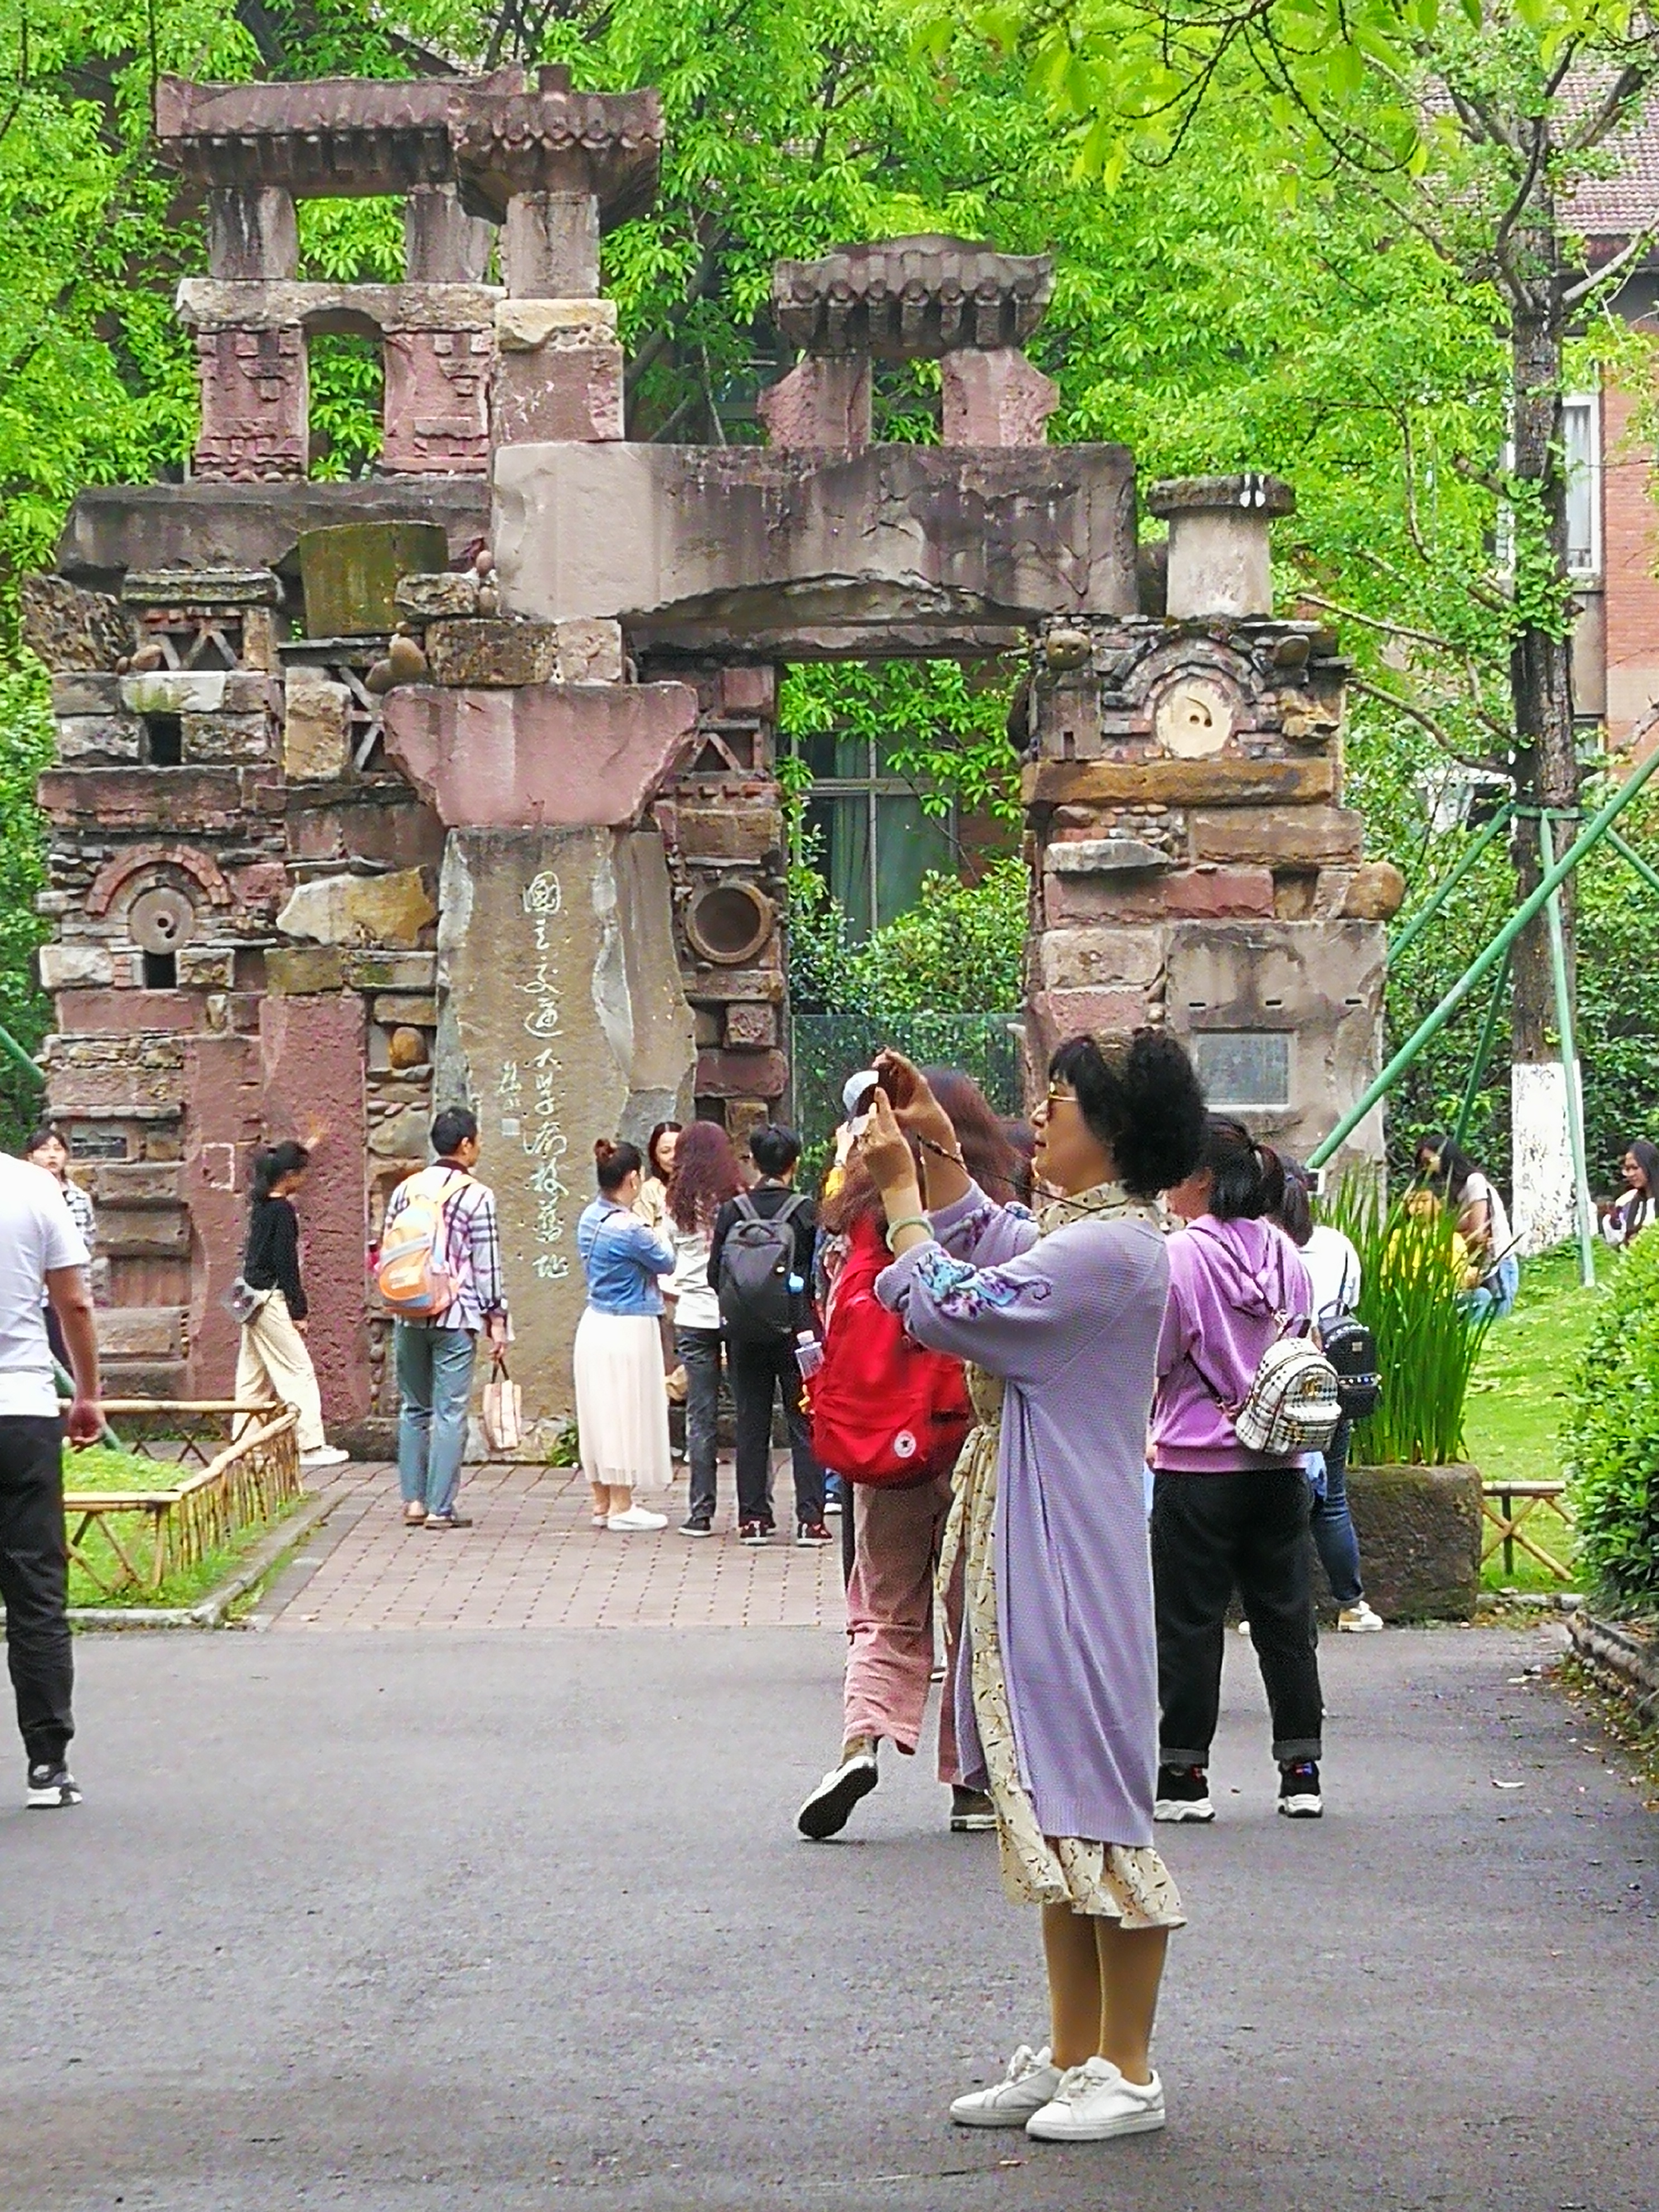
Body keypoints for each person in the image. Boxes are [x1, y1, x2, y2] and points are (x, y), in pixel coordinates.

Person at [865, 1035, 1205, 2146]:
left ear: (1114, 1128)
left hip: (1072, 1551)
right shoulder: (1098, 1237)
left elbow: (956, 1297)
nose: (1041, 1115)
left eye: (1058, 1100)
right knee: (1051, 1806)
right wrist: (938, 1153)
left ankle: (1131, 2066)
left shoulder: (1110, 1250)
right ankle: (1073, 2056)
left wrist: (904, 1199)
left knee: (1097, 1805)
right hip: (1048, 1536)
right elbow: (1003, 1246)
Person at [797, 1069, 1017, 1843]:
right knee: (971, 1616)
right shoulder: (989, 1217)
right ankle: (972, 1785)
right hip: (968, 1442)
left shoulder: (859, 1219)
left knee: (884, 1607)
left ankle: (859, 1743)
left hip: (884, 1447)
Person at [1151, 1121, 1325, 1825]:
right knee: (1286, 1616)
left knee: (1190, 1621)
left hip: (1197, 1463)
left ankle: (1186, 1774)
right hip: (1281, 1461)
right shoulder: (1286, 1252)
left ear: (1201, 1181)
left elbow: (1160, 1353)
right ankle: (1301, 1768)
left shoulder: (1180, 1257)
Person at [0, 1147, 103, 1809]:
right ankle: (47, 1764)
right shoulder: (36, 1188)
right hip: (22, 1411)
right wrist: (88, 1391)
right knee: (35, 1591)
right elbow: (74, 1303)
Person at [1269, 1165, 1381, 1635]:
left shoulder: (1268, 1250)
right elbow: (1347, 1303)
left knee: (1279, 1500)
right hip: (1333, 1386)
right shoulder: (1338, 1245)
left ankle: (1274, 1609)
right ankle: (1352, 1604)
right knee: (1332, 1500)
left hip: (1282, 1388)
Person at [383, 1108, 508, 1530]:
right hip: (455, 1314)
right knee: (450, 1411)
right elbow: (487, 1264)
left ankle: (414, 1502)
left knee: (413, 1409)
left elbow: (387, 1249)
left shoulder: (405, 1190)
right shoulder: (477, 1195)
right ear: (467, 1144)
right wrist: (497, 1319)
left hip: (408, 1310)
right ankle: (441, 1507)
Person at [709, 1124, 831, 1548]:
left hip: (743, 1333)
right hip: (797, 1333)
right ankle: (811, 1520)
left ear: (754, 1162)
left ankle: (754, 1519)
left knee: (751, 1421)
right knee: (805, 1422)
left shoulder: (732, 1211)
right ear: (794, 1164)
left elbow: (714, 1276)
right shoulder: (805, 1211)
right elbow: (818, 1273)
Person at [576, 1139, 676, 1531]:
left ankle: (602, 1499)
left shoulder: (589, 1217)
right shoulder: (631, 1228)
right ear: (633, 1179)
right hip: (629, 1326)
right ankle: (622, 1504)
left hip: (596, 1322)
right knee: (625, 1412)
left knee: (600, 1413)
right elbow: (666, 1260)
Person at [234, 1141, 349, 1471]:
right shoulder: (283, 1211)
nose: (304, 1179)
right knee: (297, 1370)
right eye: (301, 1173)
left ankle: (246, 1445)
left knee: (252, 1375)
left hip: (247, 1292)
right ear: (288, 1176)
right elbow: (286, 1265)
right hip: (269, 1297)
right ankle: (309, 1443)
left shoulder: (259, 1206)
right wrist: (299, 1309)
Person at [662, 1120, 746, 1536]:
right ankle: (755, 1509)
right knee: (750, 1410)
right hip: (734, 1313)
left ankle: (700, 1512)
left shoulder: (674, 1201)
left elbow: (668, 1259)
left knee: (701, 1415)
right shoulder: (735, 1199)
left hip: (693, 1315)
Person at [1414, 1135, 1518, 1319]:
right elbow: (1463, 1226)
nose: (1428, 1167)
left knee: (1499, 1321)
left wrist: (1450, 1233)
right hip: (1482, 1264)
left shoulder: (1474, 1181)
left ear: (1445, 1156)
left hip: (1498, 1261)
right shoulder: (1458, 1191)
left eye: (1430, 1161)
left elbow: (1477, 1230)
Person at [21, 1126, 96, 1373]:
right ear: (30, 1157)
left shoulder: (80, 1199)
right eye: (44, 1150)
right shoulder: (21, 1198)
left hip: (67, 1292)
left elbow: (86, 1245)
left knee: (69, 1358)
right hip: (30, 1295)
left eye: (58, 1149)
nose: (52, 1156)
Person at [1601, 1138, 1659, 1247]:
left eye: (1635, 1168)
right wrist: (1614, 1220)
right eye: (1627, 1169)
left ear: (1649, 1166)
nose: (1631, 1174)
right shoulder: (1627, 1201)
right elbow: (1615, 1241)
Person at [634, 1121, 681, 1238]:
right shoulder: (649, 1191)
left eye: (680, 1149)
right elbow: (644, 1238)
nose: (673, 1157)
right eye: (666, 1151)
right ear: (655, 1157)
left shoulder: (702, 1188)